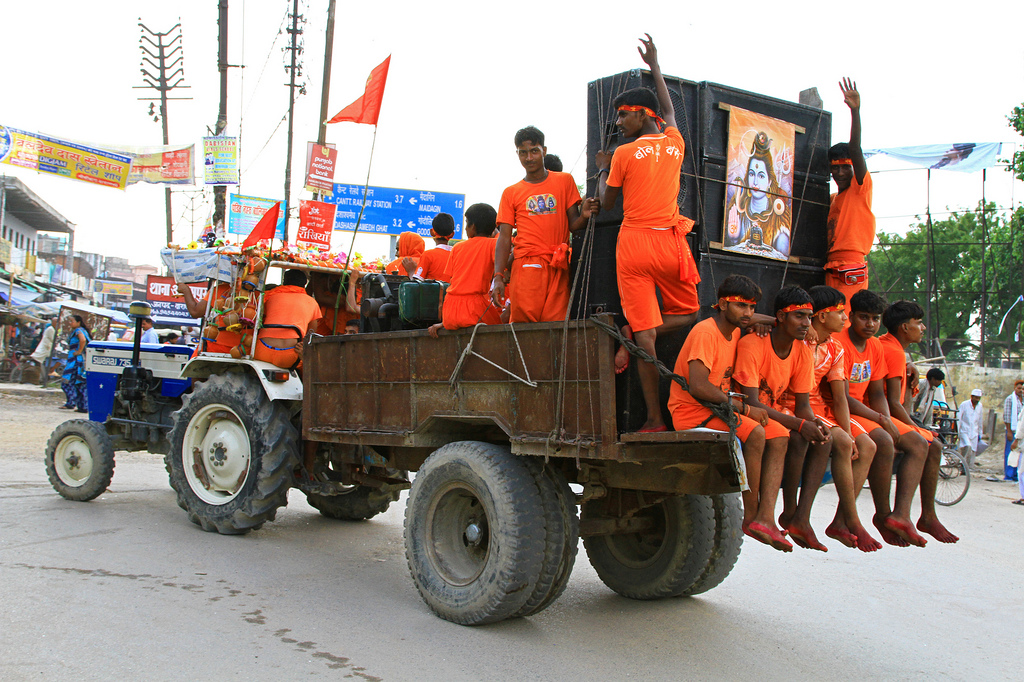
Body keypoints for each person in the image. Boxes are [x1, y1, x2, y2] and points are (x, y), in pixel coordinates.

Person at [594, 34, 700, 433]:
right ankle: (641, 331)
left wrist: (603, 168)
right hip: (670, 244)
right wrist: (656, 65)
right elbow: (670, 110)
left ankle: (655, 418)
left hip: (635, 243)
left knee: (645, 336)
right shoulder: (675, 142)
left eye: (624, 116)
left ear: (641, 115)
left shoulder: (622, 153)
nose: (620, 123)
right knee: (689, 313)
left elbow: (606, 203)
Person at [668, 275, 784, 550]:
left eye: (752, 307)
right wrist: (744, 408)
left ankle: (767, 516)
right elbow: (698, 386)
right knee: (755, 432)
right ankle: (752, 516)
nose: (748, 314)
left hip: (717, 409)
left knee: (779, 434)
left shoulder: (735, 329)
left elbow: (759, 319)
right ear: (722, 304)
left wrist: (770, 323)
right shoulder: (706, 332)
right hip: (691, 410)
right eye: (742, 306)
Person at [777, 285, 881, 552]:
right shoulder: (800, 340)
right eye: (841, 312)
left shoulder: (836, 349)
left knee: (865, 445)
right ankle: (850, 522)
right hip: (791, 406)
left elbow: (840, 397)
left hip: (820, 409)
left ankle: (842, 520)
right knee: (842, 443)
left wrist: (847, 431)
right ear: (822, 317)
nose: (845, 318)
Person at [734, 286, 829, 552]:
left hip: (772, 414)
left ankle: (795, 516)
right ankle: (763, 517)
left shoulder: (801, 350)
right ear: (781, 317)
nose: (806, 323)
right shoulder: (753, 342)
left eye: (809, 317)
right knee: (782, 435)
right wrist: (800, 424)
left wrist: (815, 423)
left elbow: (803, 406)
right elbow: (752, 402)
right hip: (747, 411)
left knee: (823, 439)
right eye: (799, 316)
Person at [836, 289, 922, 548]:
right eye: (864, 317)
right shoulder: (841, 343)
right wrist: (882, 419)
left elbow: (876, 392)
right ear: (851, 317)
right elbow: (840, 396)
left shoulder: (874, 345)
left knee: (919, 443)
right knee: (882, 441)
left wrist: (884, 416)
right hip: (839, 409)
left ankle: (900, 515)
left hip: (864, 411)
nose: (870, 324)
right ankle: (880, 514)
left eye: (875, 318)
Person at [492, 126, 596, 323]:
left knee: (556, 326)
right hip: (526, 267)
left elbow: (573, 225)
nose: (529, 158)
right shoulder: (511, 192)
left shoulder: (564, 181)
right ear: (517, 154)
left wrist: (584, 215)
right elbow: (504, 237)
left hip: (558, 264)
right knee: (524, 327)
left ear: (544, 151)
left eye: (534, 151)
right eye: (523, 153)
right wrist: (498, 275)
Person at [878, 300, 958, 544]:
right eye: (919, 323)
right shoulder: (892, 350)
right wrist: (914, 428)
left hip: (889, 413)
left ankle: (926, 515)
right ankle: (903, 514)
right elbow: (893, 402)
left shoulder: (893, 349)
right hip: (881, 414)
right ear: (904, 327)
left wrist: (908, 364)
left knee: (933, 443)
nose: (922, 328)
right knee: (924, 443)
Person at [826, 78, 875, 304]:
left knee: (842, 319)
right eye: (835, 168)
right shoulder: (834, 199)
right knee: (827, 318)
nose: (841, 173)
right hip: (831, 264)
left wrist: (855, 112)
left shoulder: (860, 187)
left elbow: (855, 148)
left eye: (846, 167)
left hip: (851, 263)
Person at [428, 203, 502, 336]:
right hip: (475, 310)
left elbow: (452, 280)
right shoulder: (494, 244)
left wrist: (445, 322)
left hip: (450, 311)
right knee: (499, 328)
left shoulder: (457, 247)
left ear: (472, 227)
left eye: (466, 222)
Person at [725, 131, 793, 256]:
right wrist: (733, 238)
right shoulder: (738, 204)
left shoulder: (780, 216)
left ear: (770, 181)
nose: (755, 182)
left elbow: (783, 253)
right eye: (751, 174)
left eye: (761, 176)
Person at [253, 269, 322, 371]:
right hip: (290, 356)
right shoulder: (312, 302)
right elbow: (311, 334)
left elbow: (256, 321)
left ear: (284, 282)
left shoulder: (268, 296)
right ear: (305, 284)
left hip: (262, 351)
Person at [180, 278, 242, 354]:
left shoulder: (221, 289)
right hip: (246, 349)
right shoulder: (257, 293)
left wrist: (185, 290)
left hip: (216, 348)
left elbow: (195, 312)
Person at [59, 315, 90, 413]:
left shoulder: (78, 331)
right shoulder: (79, 330)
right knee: (79, 384)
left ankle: (72, 403)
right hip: (77, 360)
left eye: (72, 321)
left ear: (78, 322)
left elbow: (83, 340)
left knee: (67, 382)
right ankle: (82, 406)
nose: (70, 323)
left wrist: (79, 351)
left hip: (76, 361)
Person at [412, 213, 455, 282]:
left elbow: (417, 282)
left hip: (433, 293)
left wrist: (411, 271)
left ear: (432, 232)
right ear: (452, 234)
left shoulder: (428, 255)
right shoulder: (457, 255)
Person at [1002, 380, 1023, 482]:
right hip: (1012, 430)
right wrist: (1009, 431)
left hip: (1020, 431)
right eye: (1019, 388)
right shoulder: (1010, 399)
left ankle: (1015, 475)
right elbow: (1006, 416)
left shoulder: (1022, 400)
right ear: (1015, 387)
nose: (1021, 390)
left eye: (1022, 389)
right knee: (1010, 452)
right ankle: (1008, 475)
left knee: (1018, 453)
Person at [958, 389, 984, 470]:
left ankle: (967, 468)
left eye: (978, 398)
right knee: (967, 446)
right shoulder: (964, 404)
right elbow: (959, 418)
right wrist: (958, 432)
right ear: (972, 397)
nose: (977, 400)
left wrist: (980, 433)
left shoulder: (980, 406)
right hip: (964, 430)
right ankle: (962, 464)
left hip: (974, 432)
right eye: (976, 398)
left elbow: (980, 420)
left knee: (973, 451)